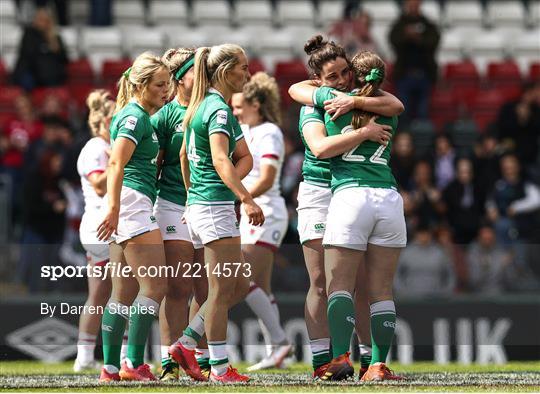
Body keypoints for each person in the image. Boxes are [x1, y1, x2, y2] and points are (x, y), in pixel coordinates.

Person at [288, 36, 404, 380]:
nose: (341, 80)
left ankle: (369, 359)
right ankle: (324, 359)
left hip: (348, 191)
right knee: (321, 281)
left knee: (364, 282)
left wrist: (352, 104)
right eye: (333, 76)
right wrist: (363, 132)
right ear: (318, 81)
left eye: (345, 73)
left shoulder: (359, 100)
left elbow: (396, 105)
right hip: (320, 192)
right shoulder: (313, 104)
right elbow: (319, 146)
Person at [168, 44, 264, 384]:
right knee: (222, 291)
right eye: (243, 66)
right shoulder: (218, 110)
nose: (248, 73)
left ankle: (186, 343)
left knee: (235, 286)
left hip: (201, 204)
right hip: (214, 206)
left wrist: (193, 195)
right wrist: (247, 198)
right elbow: (224, 160)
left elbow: (183, 155)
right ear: (224, 71)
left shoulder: (202, 105)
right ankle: (220, 369)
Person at [96, 52, 171, 382]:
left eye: (168, 83)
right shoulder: (134, 117)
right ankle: (133, 363)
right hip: (133, 203)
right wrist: (113, 208)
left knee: (123, 293)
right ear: (141, 85)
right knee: (155, 285)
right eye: (159, 84)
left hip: (127, 203)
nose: (165, 90)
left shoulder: (137, 115)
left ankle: (111, 368)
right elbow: (115, 163)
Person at [151, 47, 209, 381]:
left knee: (207, 288)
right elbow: (152, 163)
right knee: (177, 287)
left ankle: (195, 355)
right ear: (180, 78)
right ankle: (168, 361)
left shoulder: (211, 108)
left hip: (205, 204)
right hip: (172, 203)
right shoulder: (165, 115)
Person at [231, 72, 293, 370]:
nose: (235, 112)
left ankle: (280, 342)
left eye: (239, 106)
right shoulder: (245, 131)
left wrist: (238, 196)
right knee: (260, 287)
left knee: (242, 280)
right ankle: (276, 350)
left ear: (256, 104)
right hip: (251, 211)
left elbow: (267, 179)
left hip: (266, 212)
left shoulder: (269, 132)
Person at [74, 89, 117, 372]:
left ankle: (85, 357)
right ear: (101, 121)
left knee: (100, 293)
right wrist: (120, 161)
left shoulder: (108, 146)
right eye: (114, 119)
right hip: (101, 225)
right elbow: (100, 184)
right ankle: (123, 355)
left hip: (102, 226)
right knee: (126, 290)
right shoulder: (95, 148)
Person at [389, 0, 440, 125]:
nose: (413, 6)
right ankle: (404, 140)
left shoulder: (427, 24)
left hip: (424, 74)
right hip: (404, 75)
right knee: (403, 111)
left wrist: (418, 38)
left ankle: (421, 140)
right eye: (410, 4)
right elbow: (393, 39)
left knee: (423, 112)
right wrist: (406, 36)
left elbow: (434, 41)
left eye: (415, 4)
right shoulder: (400, 24)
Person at [12, 7, 68, 90]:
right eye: (39, 19)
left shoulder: (55, 37)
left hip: (49, 74)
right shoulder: (29, 34)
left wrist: (52, 40)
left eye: (45, 20)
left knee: (54, 78)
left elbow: (64, 59)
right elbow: (30, 55)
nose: (41, 22)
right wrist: (45, 50)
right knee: (27, 80)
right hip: (31, 72)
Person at [394, 224, 456, 297]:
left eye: (427, 234)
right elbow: (396, 274)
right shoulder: (406, 252)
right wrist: (402, 292)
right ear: (416, 235)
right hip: (410, 298)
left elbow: (450, 274)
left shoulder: (439, 252)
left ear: (430, 235)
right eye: (421, 234)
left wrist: (446, 292)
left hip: (436, 298)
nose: (424, 237)